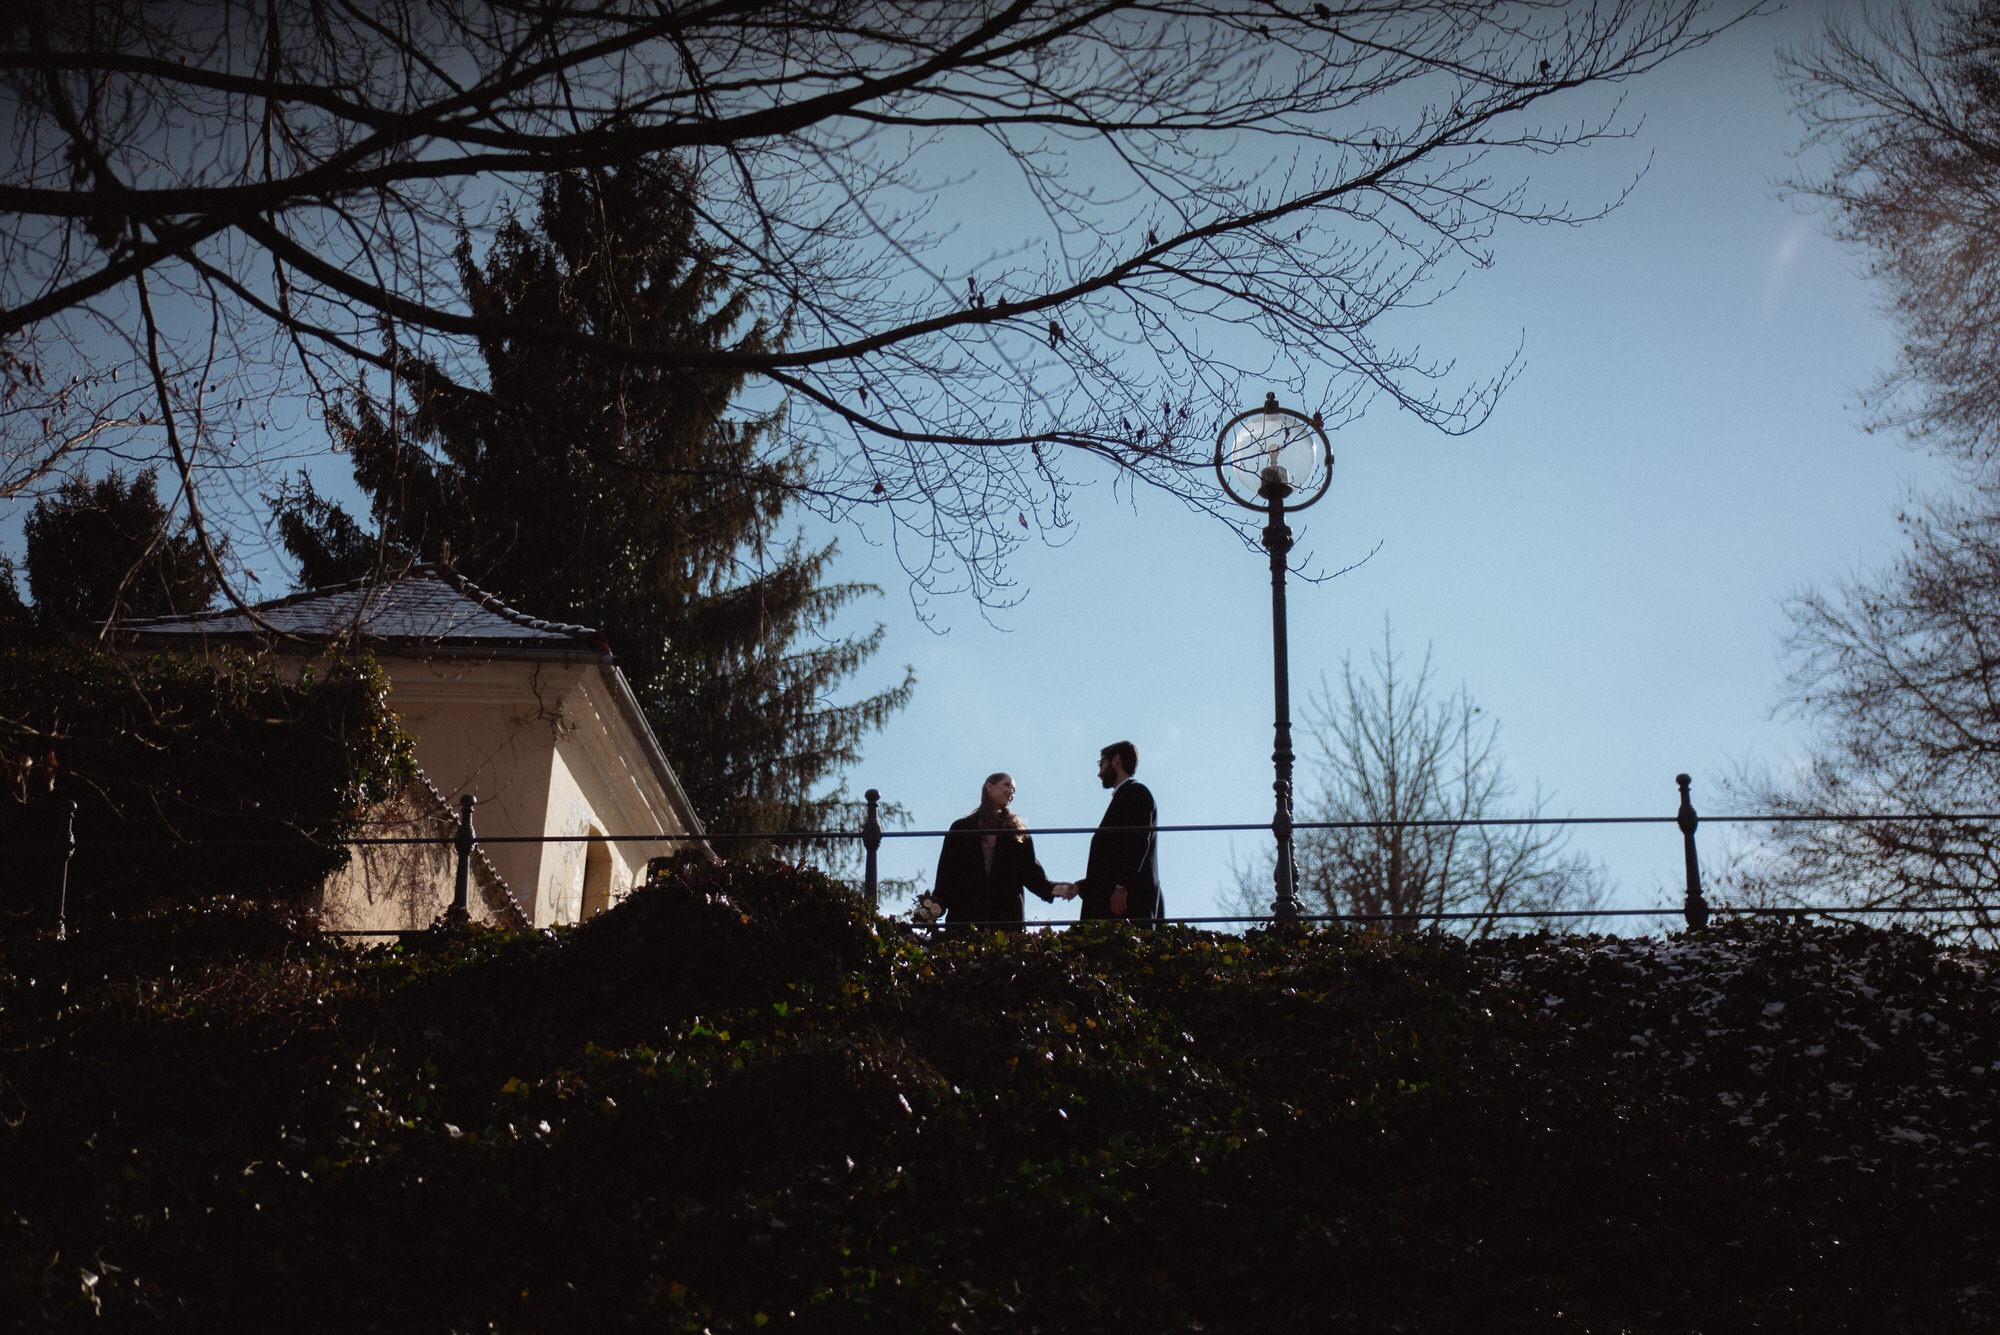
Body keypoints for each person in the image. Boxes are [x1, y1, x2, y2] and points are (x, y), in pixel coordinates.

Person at [925, 772, 1069, 930]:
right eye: (1007, 785)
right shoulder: (961, 828)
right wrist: (933, 908)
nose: (1011, 792)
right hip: (966, 915)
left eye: (1014, 790)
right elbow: (947, 872)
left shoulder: (1017, 832)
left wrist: (1051, 889)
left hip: (1006, 919)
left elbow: (1030, 871)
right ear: (989, 786)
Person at [1066, 739, 1162, 922]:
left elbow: (1138, 842)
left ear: (1116, 760)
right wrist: (1081, 887)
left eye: (1101, 763)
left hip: (1127, 907)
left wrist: (1122, 886)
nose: (1099, 773)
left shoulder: (1136, 793)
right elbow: (1113, 862)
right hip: (1118, 905)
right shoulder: (1128, 795)